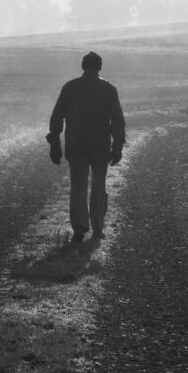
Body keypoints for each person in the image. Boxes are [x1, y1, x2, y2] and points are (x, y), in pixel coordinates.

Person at [46, 51, 126, 243]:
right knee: (99, 186)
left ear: (83, 66)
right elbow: (117, 120)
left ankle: (80, 229)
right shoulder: (108, 89)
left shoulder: (70, 87)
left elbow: (57, 118)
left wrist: (55, 142)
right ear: (99, 67)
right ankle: (98, 228)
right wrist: (117, 146)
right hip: (100, 145)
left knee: (78, 187)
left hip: (77, 144)